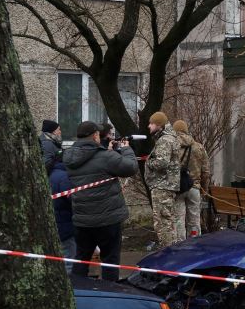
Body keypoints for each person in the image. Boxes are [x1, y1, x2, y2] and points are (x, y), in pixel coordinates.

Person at [63, 121, 139, 281]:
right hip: (108, 219)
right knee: (110, 260)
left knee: (81, 258)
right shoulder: (105, 157)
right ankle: (109, 294)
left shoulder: (69, 158)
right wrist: (126, 148)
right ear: (96, 135)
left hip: (82, 220)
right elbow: (130, 167)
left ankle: (79, 293)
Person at [145, 111, 184, 249]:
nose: (149, 126)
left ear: (159, 125)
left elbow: (162, 163)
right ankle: (172, 251)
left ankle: (167, 253)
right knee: (168, 221)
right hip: (166, 185)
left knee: (162, 224)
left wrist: (148, 162)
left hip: (163, 186)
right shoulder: (169, 138)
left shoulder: (165, 140)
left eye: (152, 123)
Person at [172, 119, 211, 240]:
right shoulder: (199, 147)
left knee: (178, 219)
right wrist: (204, 188)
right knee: (194, 220)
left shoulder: (171, 146)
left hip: (178, 188)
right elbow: (206, 172)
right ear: (186, 130)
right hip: (194, 187)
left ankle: (180, 245)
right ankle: (194, 244)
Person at [48, 158, 76, 272]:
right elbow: (72, 200)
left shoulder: (51, 174)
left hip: (57, 221)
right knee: (69, 259)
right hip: (65, 224)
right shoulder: (64, 177)